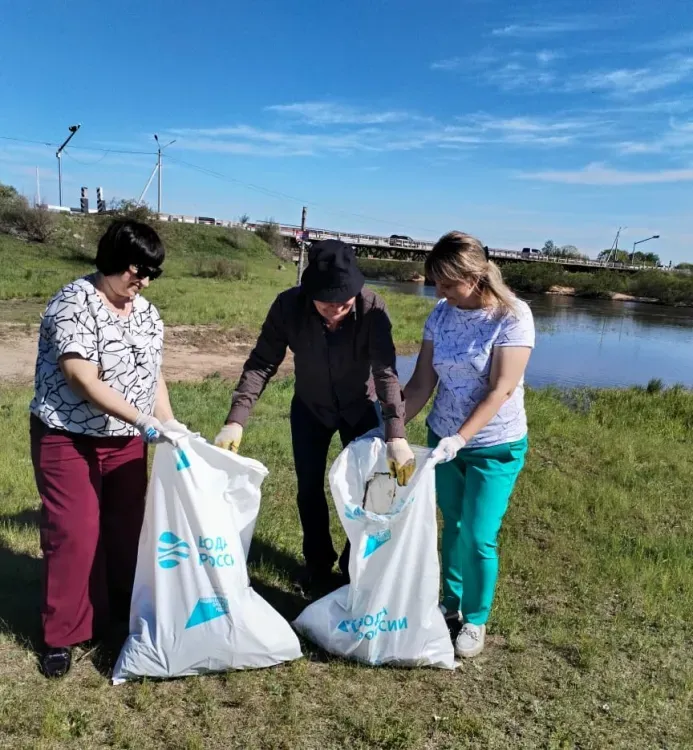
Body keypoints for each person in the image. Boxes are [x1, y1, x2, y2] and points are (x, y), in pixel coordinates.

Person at [30, 220, 186, 678]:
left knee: (125, 531)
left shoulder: (146, 312)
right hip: (67, 436)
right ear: (113, 261)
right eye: (137, 271)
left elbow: (151, 374)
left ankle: (117, 615)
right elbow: (82, 378)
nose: (143, 282)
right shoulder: (72, 303)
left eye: (151, 274)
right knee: (74, 533)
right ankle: (62, 635)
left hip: (122, 443)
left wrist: (169, 420)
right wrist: (141, 419)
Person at [215, 240, 415, 592]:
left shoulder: (372, 308)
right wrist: (236, 419)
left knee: (372, 490)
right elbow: (262, 363)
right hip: (310, 408)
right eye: (327, 304)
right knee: (309, 488)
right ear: (310, 292)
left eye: (344, 303)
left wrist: (395, 434)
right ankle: (318, 564)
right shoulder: (287, 307)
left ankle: (356, 566)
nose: (336, 311)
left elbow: (385, 372)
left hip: (360, 408)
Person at [404, 231, 534, 658]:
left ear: (476, 276)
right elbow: (423, 381)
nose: (438, 292)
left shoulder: (513, 317)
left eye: (447, 284)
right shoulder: (441, 314)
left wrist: (462, 438)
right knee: (452, 525)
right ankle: (449, 603)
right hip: (443, 439)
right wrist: (392, 426)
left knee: (479, 535)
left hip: (494, 446)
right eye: (435, 283)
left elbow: (500, 390)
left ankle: (475, 620)